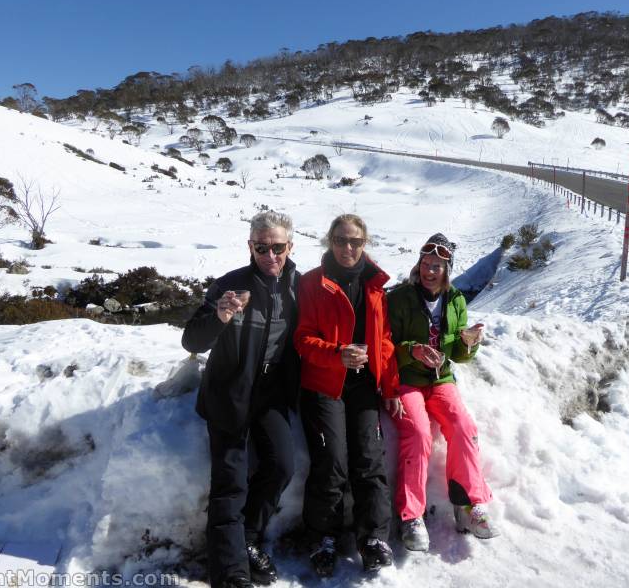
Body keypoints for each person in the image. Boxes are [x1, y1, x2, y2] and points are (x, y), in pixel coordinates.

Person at [181, 211, 301, 588]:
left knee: (282, 466)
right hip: (229, 394)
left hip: (271, 394)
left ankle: (247, 539)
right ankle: (230, 574)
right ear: (250, 246)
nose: (270, 255)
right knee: (230, 484)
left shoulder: (300, 285)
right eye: (261, 247)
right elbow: (192, 341)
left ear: (289, 247)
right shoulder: (229, 285)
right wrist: (219, 315)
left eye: (277, 247)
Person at [293, 214, 400, 577]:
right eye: (340, 240)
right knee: (332, 461)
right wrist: (336, 353)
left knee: (369, 459)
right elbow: (302, 339)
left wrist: (390, 387)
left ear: (365, 243)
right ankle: (323, 538)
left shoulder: (375, 286)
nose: (348, 247)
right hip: (324, 384)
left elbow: (384, 341)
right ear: (330, 241)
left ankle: (373, 538)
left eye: (354, 241)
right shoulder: (311, 283)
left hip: (364, 386)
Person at [386, 233, 499, 552]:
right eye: (425, 264)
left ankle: (468, 506)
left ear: (447, 269)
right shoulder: (399, 298)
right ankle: (411, 515)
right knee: (418, 433)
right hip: (407, 378)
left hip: (440, 379)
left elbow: (460, 356)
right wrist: (413, 351)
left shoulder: (456, 300)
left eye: (437, 265)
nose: (429, 270)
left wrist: (467, 343)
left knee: (463, 427)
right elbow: (386, 346)